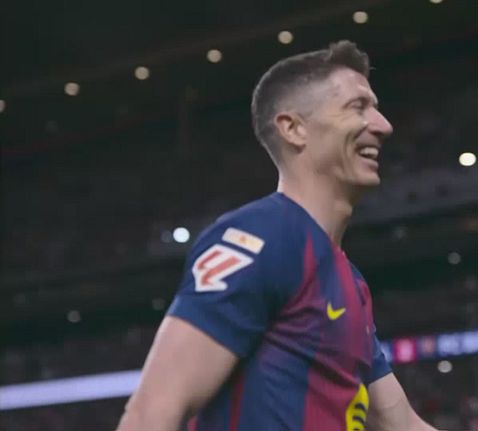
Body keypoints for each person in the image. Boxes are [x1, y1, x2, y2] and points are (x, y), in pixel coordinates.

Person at [116, 40, 439, 431]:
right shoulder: (261, 236)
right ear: (294, 128)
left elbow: (400, 423)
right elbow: (151, 412)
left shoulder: (350, 282)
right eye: (358, 107)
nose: (383, 125)